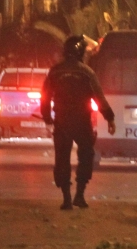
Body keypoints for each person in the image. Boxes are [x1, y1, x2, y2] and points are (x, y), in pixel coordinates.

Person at [41, 35, 116, 210]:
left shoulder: (55, 72)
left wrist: (47, 117)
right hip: (82, 122)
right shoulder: (87, 72)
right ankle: (79, 195)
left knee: (62, 158)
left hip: (62, 122)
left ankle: (66, 198)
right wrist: (110, 118)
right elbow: (100, 99)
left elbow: (45, 98)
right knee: (86, 157)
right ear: (81, 52)